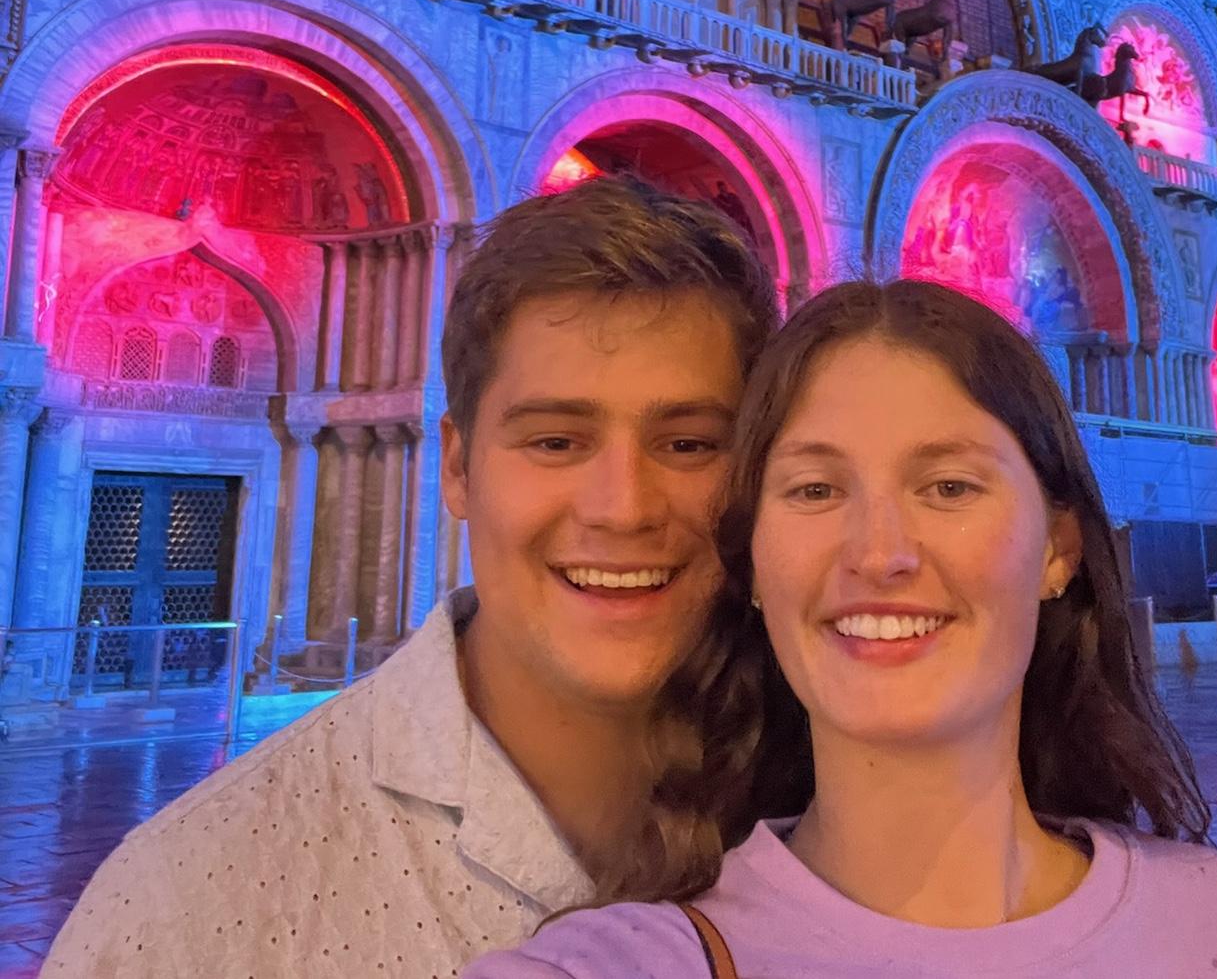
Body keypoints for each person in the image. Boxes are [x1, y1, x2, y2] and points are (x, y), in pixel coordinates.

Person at [467, 280, 1217, 978]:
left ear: (1059, 548)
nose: (879, 553)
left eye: (950, 487)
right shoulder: (618, 966)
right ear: (754, 564)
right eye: (814, 490)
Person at [42, 176, 779, 976]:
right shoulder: (186, 904)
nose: (623, 509)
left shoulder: (857, 817)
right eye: (556, 442)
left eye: (691, 444)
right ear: (458, 467)